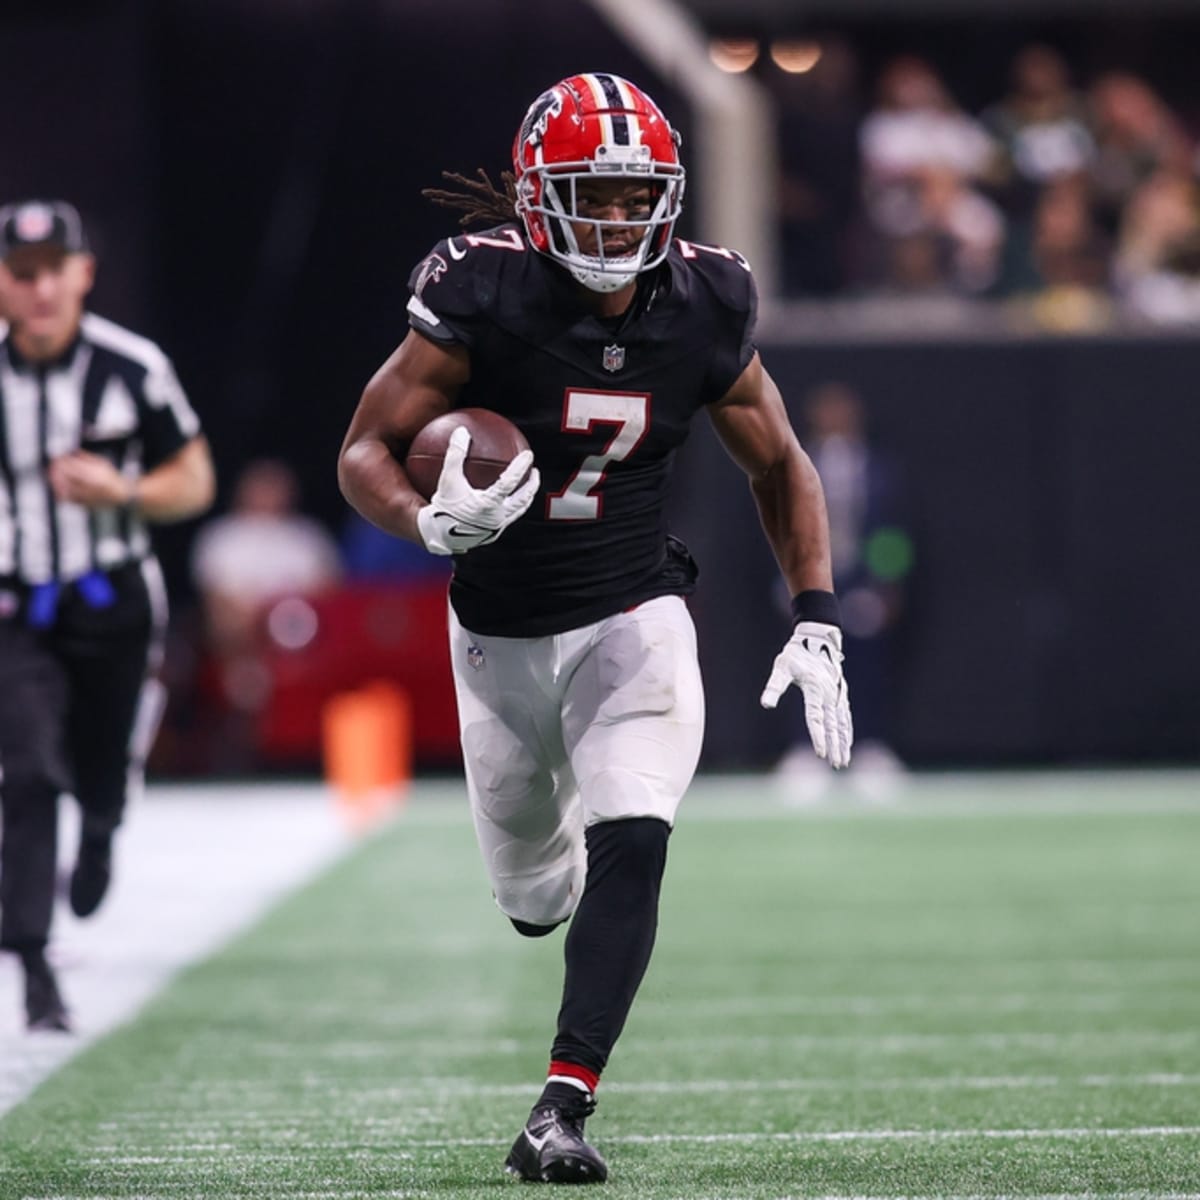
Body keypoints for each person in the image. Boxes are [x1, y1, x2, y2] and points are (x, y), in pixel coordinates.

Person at [338, 74, 852, 1183]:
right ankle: (549, 870)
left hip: (633, 613)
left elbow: (780, 462)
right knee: (536, 901)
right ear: (538, 196)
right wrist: (424, 519)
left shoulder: (705, 300)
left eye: (635, 196)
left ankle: (562, 1105)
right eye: (594, 195)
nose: (618, 219)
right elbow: (364, 451)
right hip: (499, 643)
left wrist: (816, 615)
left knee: (640, 832)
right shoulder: (482, 294)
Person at [0, 200, 215, 1032]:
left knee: (97, 776)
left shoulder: (132, 367)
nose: (40, 287)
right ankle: (33, 967)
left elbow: (194, 482)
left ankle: (99, 830)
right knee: (27, 772)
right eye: (22, 274)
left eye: (55, 269)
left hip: (113, 601)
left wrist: (121, 489)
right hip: (18, 605)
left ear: (84, 273)